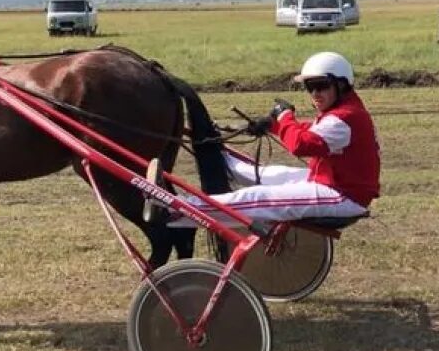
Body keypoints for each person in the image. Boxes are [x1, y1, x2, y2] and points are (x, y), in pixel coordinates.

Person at [163, 52, 381, 227]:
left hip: (342, 197)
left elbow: (301, 144)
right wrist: (272, 125)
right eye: (309, 87)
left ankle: (174, 208)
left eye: (321, 85)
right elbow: (309, 130)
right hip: (329, 182)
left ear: (341, 85)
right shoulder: (344, 111)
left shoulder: (346, 117)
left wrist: (285, 117)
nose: (314, 93)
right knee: (269, 173)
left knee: (258, 198)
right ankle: (221, 160)